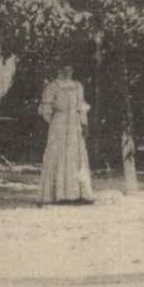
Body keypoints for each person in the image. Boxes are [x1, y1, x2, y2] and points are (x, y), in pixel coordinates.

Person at [37, 64, 93, 205]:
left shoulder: (77, 86)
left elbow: (81, 107)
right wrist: (55, 121)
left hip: (74, 124)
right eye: (64, 69)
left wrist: (84, 124)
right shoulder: (52, 87)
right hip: (59, 124)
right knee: (58, 154)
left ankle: (77, 194)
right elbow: (46, 110)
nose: (68, 71)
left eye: (70, 68)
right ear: (59, 69)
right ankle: (56, 194)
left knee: (75, 155)